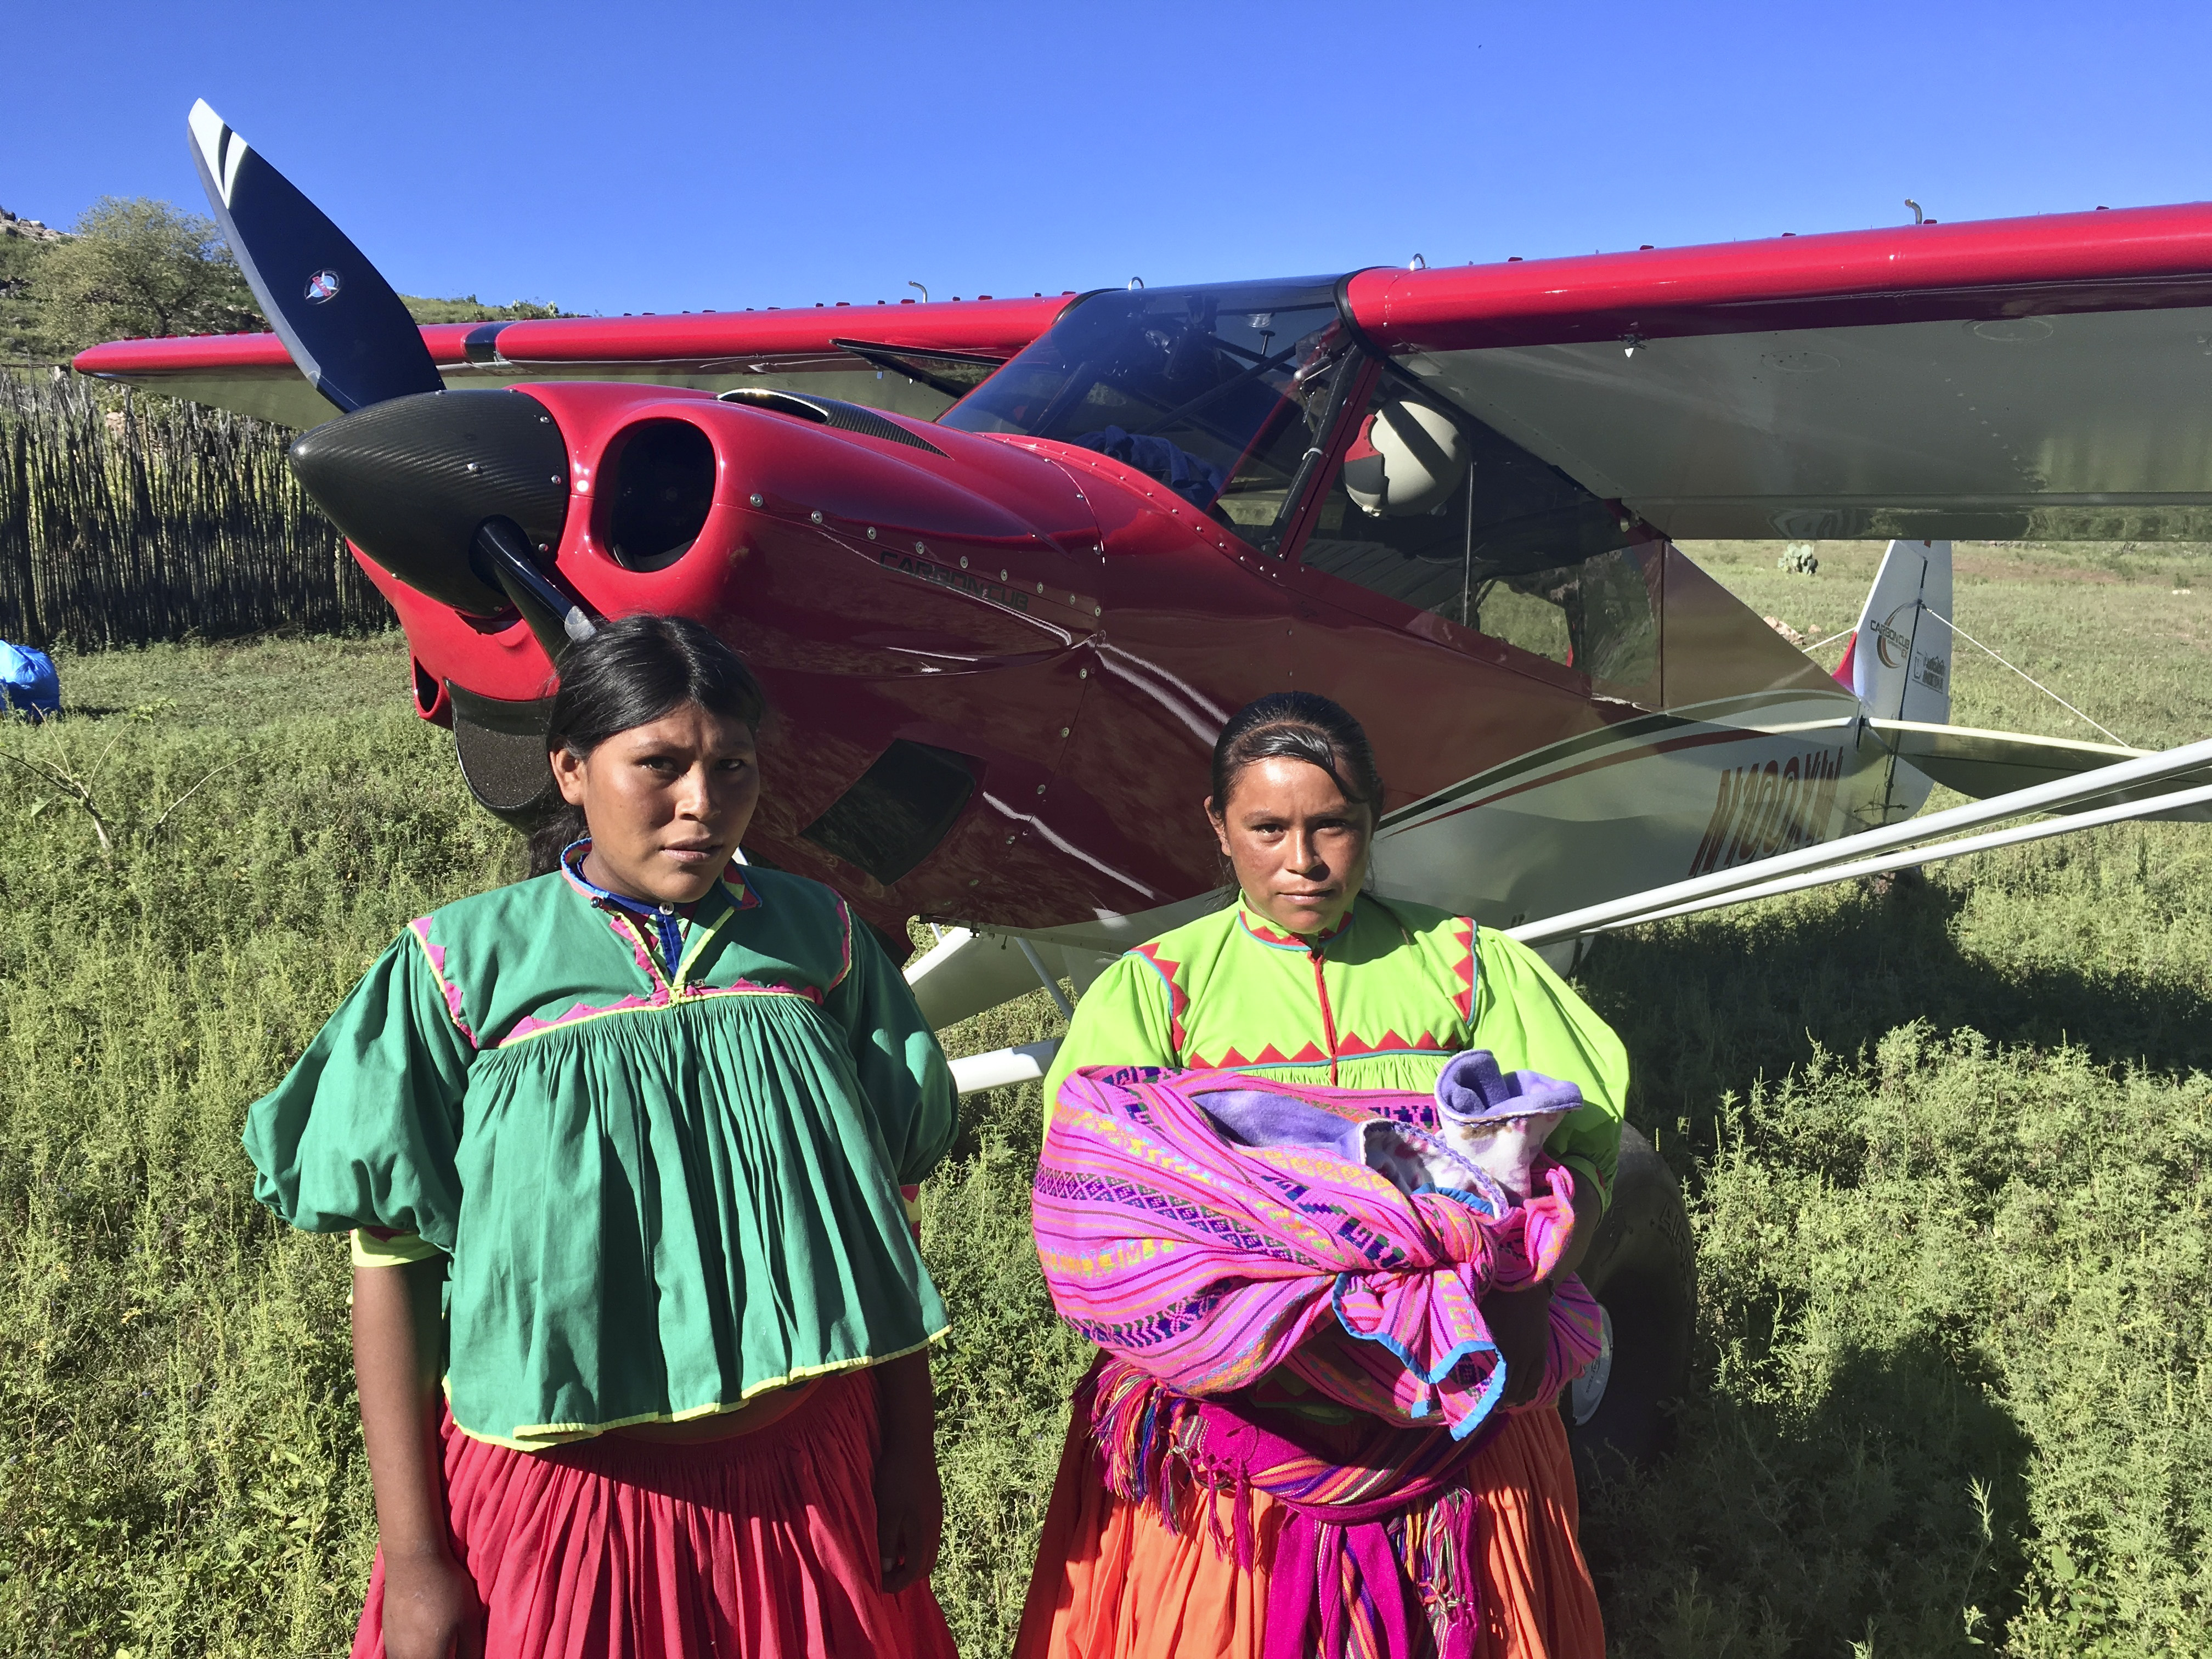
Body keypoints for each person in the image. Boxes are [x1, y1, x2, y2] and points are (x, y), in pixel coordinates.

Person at [242, 615, 959, 1659]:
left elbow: (883, 1217)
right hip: (569, 1511)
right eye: (658, 766)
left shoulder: (821, 939)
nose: (702, 807)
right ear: (572, 769)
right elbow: (391, 1267)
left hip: (810, 1491)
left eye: (733, 768)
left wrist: (910, 1454)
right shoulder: (460, 966)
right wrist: (418, 1561)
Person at [1015, 691, 1626, 1659]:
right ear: (1219, 830)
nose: (1301, 863)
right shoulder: (1157, 991)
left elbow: (1580, 1155)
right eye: (1267, 829)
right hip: (1238, 1432)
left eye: (1332, 826)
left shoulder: (1468, 968)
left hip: (1459, 1413)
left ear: (1376, 820)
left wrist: (1524, 1285)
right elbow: (1096, 1199)